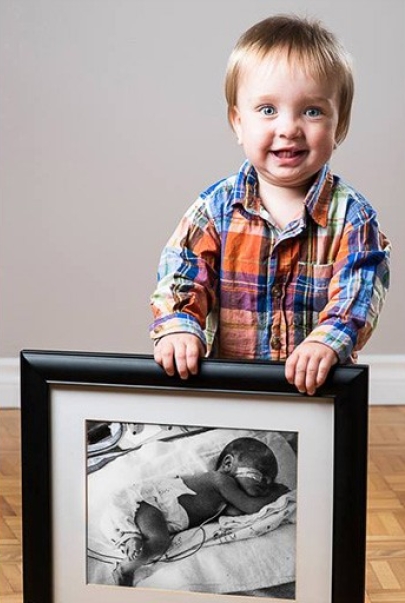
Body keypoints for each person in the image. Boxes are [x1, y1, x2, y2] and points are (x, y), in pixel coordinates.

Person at [150, 15, 391, 395]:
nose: (289, 128)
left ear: (339, 124)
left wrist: (325, 341)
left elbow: (358, 294)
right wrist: (180, 325)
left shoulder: (353, 218)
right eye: (267, 110)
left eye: (312, 111)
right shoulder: (215, 208)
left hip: (316, 393)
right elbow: (181, 272)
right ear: (238, 122)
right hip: (230, 391)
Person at [101, 437, 290, 586]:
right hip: (154, 505)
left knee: (153, 539)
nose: (266, 485)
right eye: (261, 476)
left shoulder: (226, 497)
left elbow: (237, 512)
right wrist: (276, 493)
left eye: (271, 482)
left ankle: (132, 539)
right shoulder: (220, 481)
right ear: (227, 464)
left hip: (160, 515)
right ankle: (126, 568)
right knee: (159, 542)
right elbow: (250, 506)